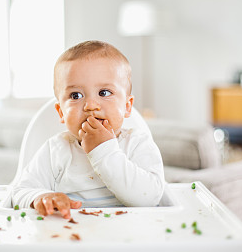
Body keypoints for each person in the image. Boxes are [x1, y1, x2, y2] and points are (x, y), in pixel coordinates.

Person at [12, 40, 165, 219]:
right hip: (70, 236)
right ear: (61, 112)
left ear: (127, 106)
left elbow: (151, 198)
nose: (90, 106)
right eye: (76, 95)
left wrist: (104, 150)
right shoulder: (56, 150)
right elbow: (20, 191)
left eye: (104, 93)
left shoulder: (137, 144)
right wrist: (41, 197)